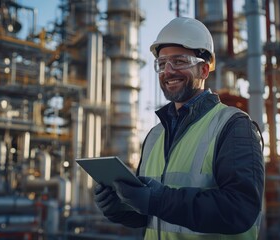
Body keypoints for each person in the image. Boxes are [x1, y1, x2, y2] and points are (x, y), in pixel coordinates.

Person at [94, 17, 265, 240]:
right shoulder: (155, 135)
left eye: (180, 61)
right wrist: (119, 206)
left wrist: (156, 200)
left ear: (204, 70)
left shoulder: (233, 126)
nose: (168, 71)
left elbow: (240, 210)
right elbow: (149, 217)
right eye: (162, 63)